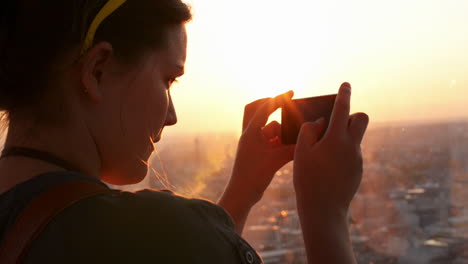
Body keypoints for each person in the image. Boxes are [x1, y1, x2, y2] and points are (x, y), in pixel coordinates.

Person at [0, 0, 369, 263]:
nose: (173, 116)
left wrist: (242, 189)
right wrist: (326, 212)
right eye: (168, 79)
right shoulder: (146, 234)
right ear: (98, 70)